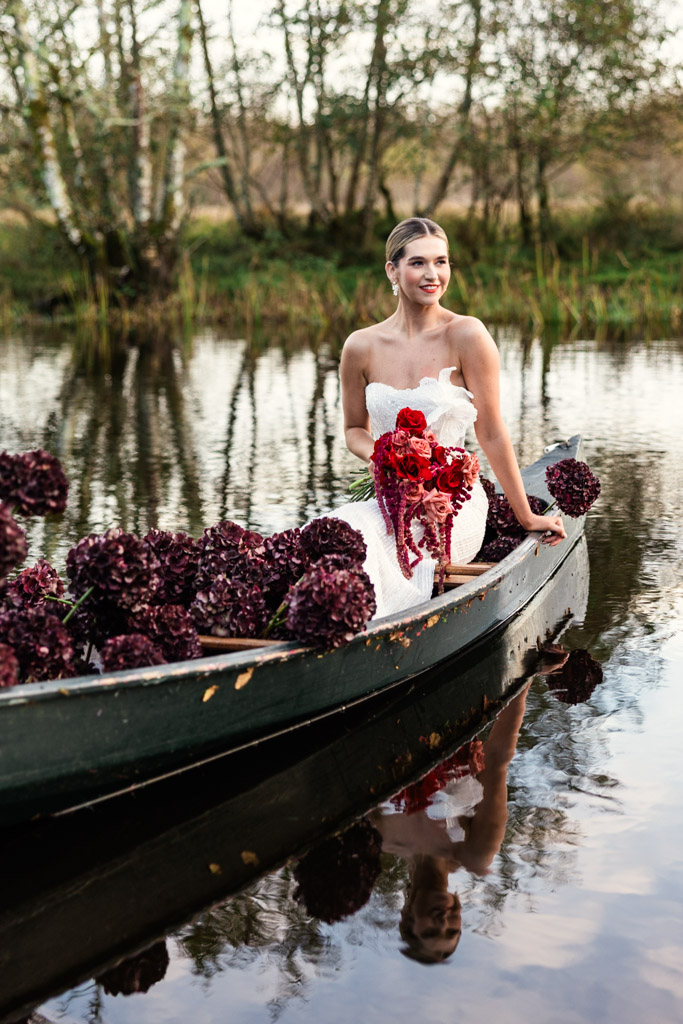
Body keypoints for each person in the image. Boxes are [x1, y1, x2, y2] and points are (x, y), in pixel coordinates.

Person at [333, 217, 565, 619]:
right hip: (390, 497)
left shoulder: (468, 336)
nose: (433, 274)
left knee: (373, 553)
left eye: (441, 262)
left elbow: (490, 432)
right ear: (392, 269)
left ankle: (346, 627)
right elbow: (354, 430)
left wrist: (525, 515)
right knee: (344, 528)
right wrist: (387, 457)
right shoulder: (361, 346)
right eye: (418, 263)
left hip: (452, 501)